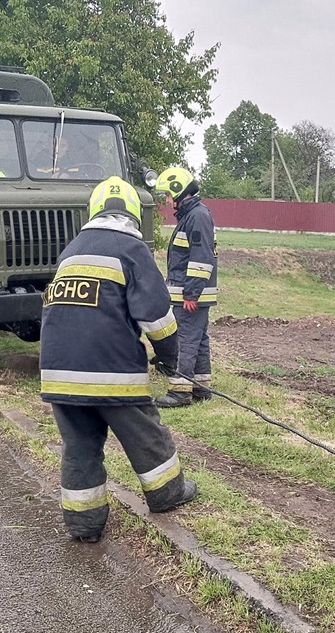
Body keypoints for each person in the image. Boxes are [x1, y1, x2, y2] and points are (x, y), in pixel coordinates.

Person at [39, 176, 197, 542]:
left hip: (58, 374)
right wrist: (169, 359)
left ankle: (83, 524)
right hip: (111, 372)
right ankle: (167, 493)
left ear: (94, 211)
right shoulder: (132, 249)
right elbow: (158, 317)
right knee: (145, 433)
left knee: (79, 448)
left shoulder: (71, 251)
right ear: (133, 215)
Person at [152, 166, 218, 408]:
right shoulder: (193, 215)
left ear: (179, 192)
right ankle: (201, 387)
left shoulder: (196, 216)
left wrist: (191, 293)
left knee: (185, 340)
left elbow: (202, 258)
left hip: (191, 294)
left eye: (169, 195)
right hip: (194, 293)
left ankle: (180, 392)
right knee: (198, 339)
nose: (168, 202)